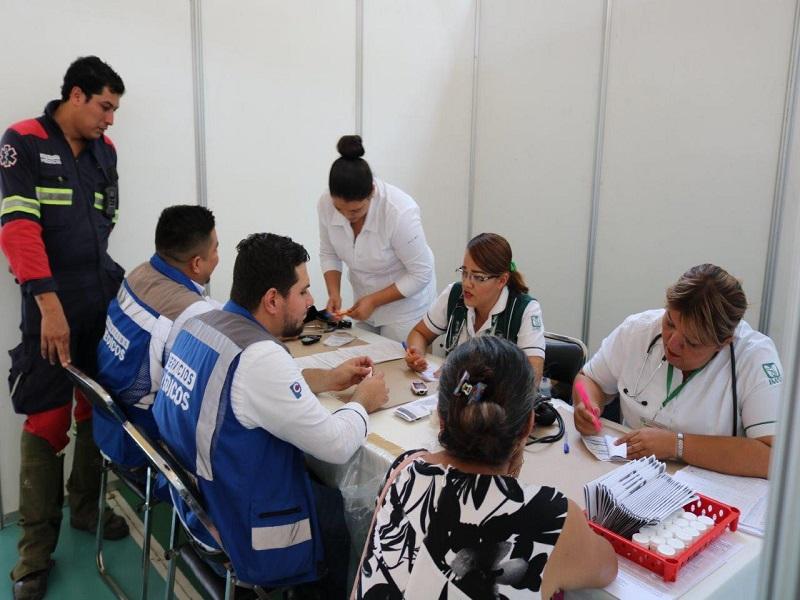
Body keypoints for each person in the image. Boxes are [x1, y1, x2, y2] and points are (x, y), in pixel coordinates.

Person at [152, 233, 390, 597]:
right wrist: (363, 401)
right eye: (304, 292)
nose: (312, 303)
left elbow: (248, 393)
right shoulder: (260, 358)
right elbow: (337, 444)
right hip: (241, 526)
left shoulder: (204, 324)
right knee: (338, 513)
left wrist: (327, 379)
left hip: (196, 504)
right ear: (273, 300)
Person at [0, 56, 128, 600]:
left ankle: (85, 509)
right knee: (49, 419)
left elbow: (106, 220)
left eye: (115, 110)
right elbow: (18, 226)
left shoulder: (106, 152)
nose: (111, 119)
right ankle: (33, 556)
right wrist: (48, 302)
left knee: (94, 406)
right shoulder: (23, 140)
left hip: (96, 295)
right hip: (48, 300)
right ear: (76, 96)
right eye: (105, 106)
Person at [355, 336, 617, 599]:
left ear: (442, 416)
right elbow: (607, 568)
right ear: (528, 424)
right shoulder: (552, 515)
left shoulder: (408, 468)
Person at [574, 264, 783, 479]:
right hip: (627, 474)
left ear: (723, 343)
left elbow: (773, 458)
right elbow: (588, 379)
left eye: (691, 342)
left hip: (710, 490)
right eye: (669, 323)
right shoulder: (638, 330)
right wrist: (587, 404)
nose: (672, 344)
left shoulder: (754, 358)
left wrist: (676, 445)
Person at [94, 205, 220, 471]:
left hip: (111, 419)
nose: (218, 257)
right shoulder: (189, 314)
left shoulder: (139, 274)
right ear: (197, 263)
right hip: (146, 437)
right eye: (216, 249)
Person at [317, 135, 436, 342]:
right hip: (364, 303)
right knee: (363, 364)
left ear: (371, 192)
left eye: (355, 210)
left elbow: (421, 272)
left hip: (405, 309)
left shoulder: (399, 211)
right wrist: (333, 293)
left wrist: (373, 300)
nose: (346, 215)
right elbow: (329, 253)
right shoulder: (325, 204)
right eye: (339, 209)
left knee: (398, 368)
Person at [405, 232, 546, 388]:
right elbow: (420, 333)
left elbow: (532, 377)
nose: (467, 283)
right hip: (451, 396)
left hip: (497, 404)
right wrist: (416, 353)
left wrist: (469, 374)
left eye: (478, 277)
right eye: (464, 273)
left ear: (502, 280)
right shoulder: (454, 294)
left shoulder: (525, 309)